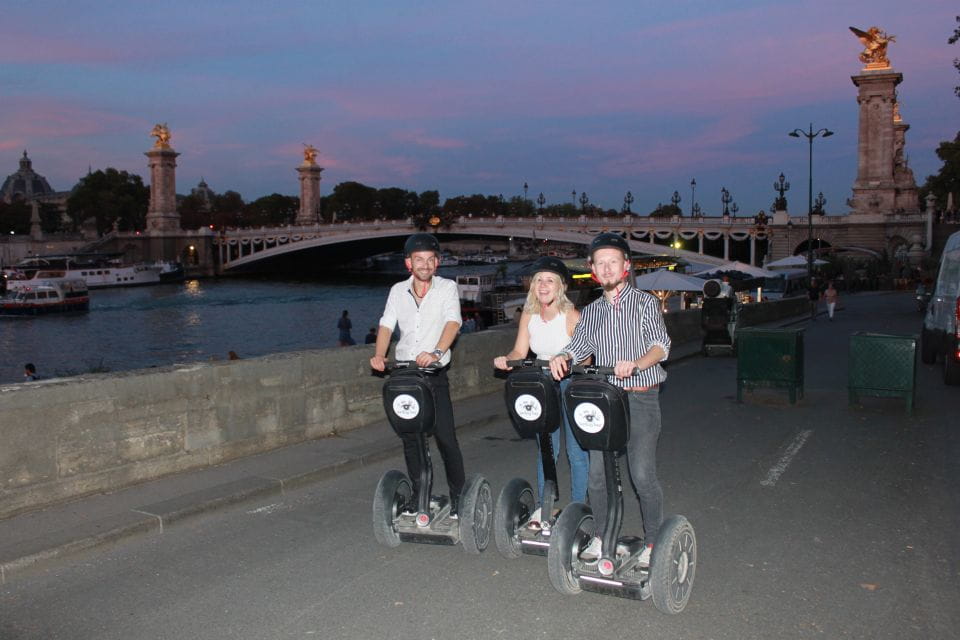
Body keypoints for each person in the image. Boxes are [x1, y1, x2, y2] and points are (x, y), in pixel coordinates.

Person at [548, 232, 671, 568]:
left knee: (642, 474)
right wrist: (563, 357)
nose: (606, 268)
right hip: (605, 401)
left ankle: (652, 541)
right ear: (592, 270)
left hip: (640, 396)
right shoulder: (592, 311)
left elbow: (661, 346)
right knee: (598, 475)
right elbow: (580, 346)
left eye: (612, 262)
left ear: (625, 266)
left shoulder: (645, 303)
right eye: (600, 263)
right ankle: (603, 536)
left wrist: (637, 363)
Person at [370, 233, 466, 518]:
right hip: (404, 374)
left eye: (429, 259)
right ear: (408, 263)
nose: (424, 264)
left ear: (437, 263)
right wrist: (379, 354)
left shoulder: (447, 287)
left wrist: (436, 351)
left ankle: (459, 496)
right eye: (418, 259)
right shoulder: (397, 290)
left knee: (445, 437)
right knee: (412, 438)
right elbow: (387, 325)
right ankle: (418, 495)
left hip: (433, 374)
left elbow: (453, 322)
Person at [493, 257, 588, 528]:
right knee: (546, 448)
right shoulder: (529, 314)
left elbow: (587, 357)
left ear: (561, 286)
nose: (543, 285)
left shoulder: (571, 316)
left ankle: (578, 507)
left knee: (576, 451)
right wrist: (506, 360)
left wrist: (567, 360)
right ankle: (544, 507)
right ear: (533, 286)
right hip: (542, 384)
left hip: (570, 382)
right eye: (539, 280)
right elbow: (520, 351)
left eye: (550, 280)